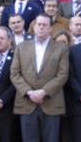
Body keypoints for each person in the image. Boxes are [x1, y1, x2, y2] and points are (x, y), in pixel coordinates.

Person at [11, 14, 70, 142]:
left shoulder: (61, 48)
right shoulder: (22, 47)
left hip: (51, 103)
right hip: (27, 102)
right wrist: (29, 92)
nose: (41, 27)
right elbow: (14, 73)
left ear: (50, 29)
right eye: (39, 24)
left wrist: (44, 92)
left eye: (45, 25)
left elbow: (62, 74)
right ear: (34, 27)